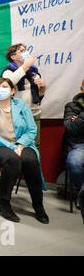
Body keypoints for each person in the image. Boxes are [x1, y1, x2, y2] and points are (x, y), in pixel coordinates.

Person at [0, 78, 49, 224]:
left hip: (21, 143)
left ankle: (38, 205)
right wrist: (12, 147)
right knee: (13, 160)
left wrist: (20, 145)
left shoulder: (21, 106)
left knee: (31, 160)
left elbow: (32, 129)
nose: (0, 90)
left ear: (13, 91)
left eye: (4, 87)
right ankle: (3, 204)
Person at [2, 43, 46, 147]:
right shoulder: (8, 71)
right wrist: (25, 66)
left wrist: (42, 88)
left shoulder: (33, 72)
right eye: (21, 51)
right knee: (17, 146)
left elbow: (39, 94)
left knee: (35, 145)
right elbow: (9, 83)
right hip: (17, 115)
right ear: (13, 57)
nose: (26, 52)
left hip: (34, 113)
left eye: (25, 50)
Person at [63, 79, 84, 220]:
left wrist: (78, 119)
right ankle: (81, 193)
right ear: (82, 88)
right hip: (79, 144)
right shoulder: (71, 106)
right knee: (74, 163)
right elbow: (71, 128)